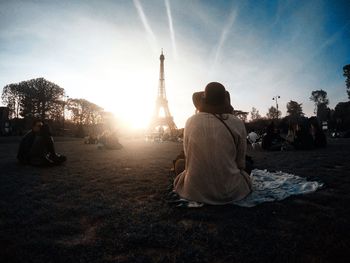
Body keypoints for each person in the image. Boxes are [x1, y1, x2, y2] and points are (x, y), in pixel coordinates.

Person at [173, 82, 252, 205]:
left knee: (179, 164)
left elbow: (188, 158)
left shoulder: (190, 121)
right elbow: (240, 163)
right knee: (249, 165)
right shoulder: (237, 122)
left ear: (204, 100)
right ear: (225, 101)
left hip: (195, 191)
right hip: (230, 192)